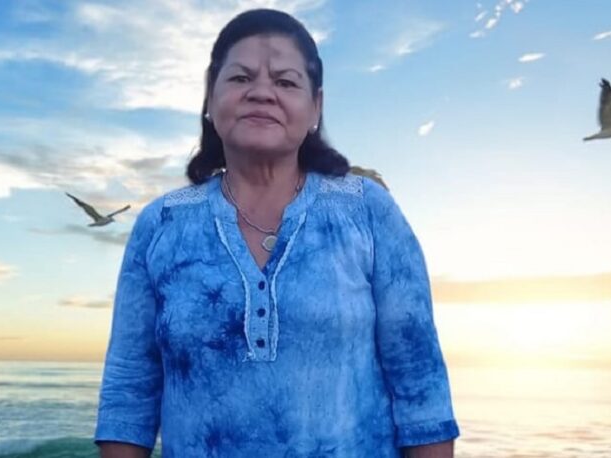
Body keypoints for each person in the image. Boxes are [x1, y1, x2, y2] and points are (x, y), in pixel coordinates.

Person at [94, 8, 459, 458]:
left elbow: (421, 385)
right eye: (240, 78)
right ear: (210, 97)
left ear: (315, 106)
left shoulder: (367, 211)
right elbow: (129, 392)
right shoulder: (161, 223)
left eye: (285, 82)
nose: (262, 92)